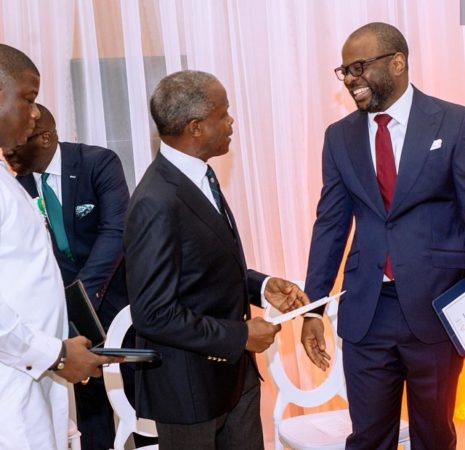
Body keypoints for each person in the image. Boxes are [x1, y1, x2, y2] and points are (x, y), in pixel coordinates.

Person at [301, 22, 465, 450]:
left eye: (358, 67)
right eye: (344, 71)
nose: (350, 79)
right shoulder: (339, 137)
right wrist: (313, 309)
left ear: (397, 63)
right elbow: (330, 224)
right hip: (366, 311)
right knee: (369, 438)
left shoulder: (455, 123)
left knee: (435, 436)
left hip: (435, 308)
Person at [124, 69, 309, 450]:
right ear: (195, 127)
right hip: (189, 392)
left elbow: (202, 269)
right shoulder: (155, 201)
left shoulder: (199, 176)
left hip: (236, 381)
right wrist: (241, 336)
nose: (231, 122)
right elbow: (153, 314)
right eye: (223, 114)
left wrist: (261, 286)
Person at [0, 44, 119, 450]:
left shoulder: (6, 177)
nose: (35, 113)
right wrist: (56, 355)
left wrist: (58, 352)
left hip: (34, 379)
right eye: (29, 98)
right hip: (14, 391)